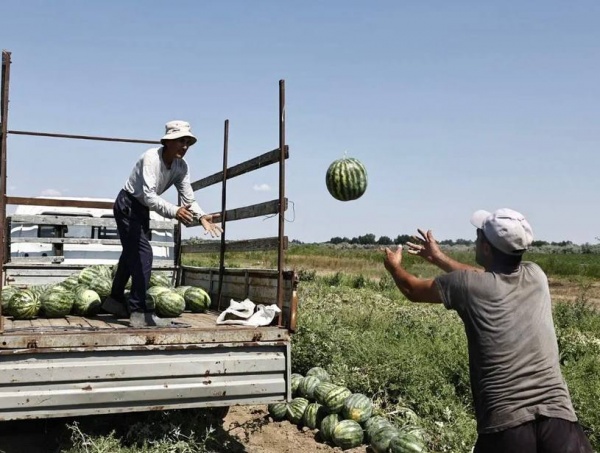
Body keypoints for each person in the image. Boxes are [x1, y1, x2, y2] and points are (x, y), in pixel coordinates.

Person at [382, 208, 593, 453]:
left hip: (507, 427)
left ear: (486, 248)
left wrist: (394, 267)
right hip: (561, 424)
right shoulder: (536, 275)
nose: (475, 238)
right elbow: (484, 277)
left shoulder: (465, 285)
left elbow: (412, 290)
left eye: (478, 235)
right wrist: (439, 258)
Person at [102, 120, 223, 328]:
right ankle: (139, 312)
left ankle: (114, 300)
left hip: (140, 209)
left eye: (187, 142)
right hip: (127, 204)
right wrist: (175, 212)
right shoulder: (151, 158)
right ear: (167, 142)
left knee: (132, 253)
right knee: (143, 254)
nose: (184, 147)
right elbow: (149, 196)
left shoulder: (181, 167)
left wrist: (201, 215)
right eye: (180, 141)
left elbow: (189, 199)